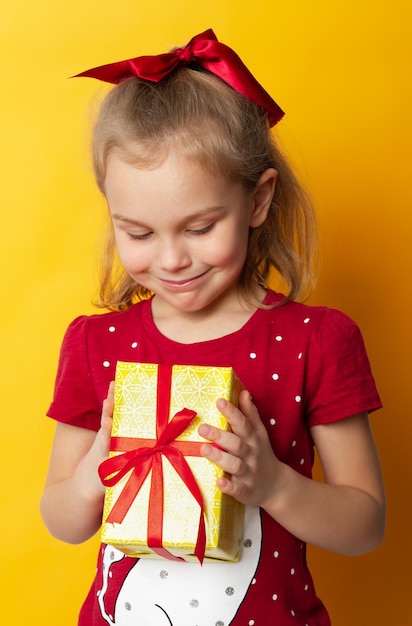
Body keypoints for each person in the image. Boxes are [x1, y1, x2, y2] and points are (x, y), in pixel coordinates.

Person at [40, 29, 385, 626]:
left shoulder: (318, 339)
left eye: (199, 228)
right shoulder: (96, 344)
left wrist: (273, 485)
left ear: (257, 201)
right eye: (139, 233)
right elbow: (63, 522)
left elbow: (366, 524)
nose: (171, 259)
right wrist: (101, 465)